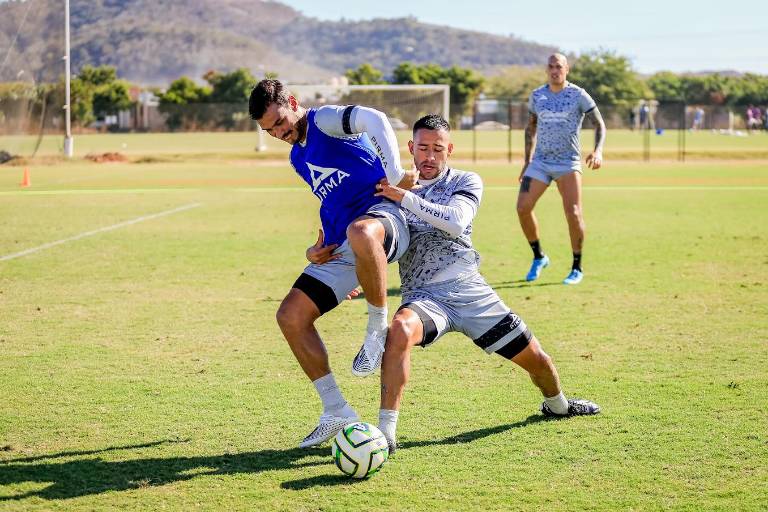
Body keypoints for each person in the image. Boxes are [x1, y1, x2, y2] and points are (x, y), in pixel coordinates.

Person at [368, 114, 600, 453]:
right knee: (400, 330)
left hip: (472, 293)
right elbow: (379, 241)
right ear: (410, 148)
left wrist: (403, 197)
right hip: (425, 297)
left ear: (449, 149)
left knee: (539, 362)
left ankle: (558, 405)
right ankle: (386, 434)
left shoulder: (465, 180)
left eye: (437, 149)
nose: (429, 157)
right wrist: (356, 272)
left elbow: (455, 221)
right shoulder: (392, 187)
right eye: (422, 148)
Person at [248, 79, 419, 447]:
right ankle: (336, 411)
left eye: (279, 122)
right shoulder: (297, 156)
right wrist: (316, 249)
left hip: (385, 219)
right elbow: (333, 199)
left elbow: (374, 118)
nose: (279, 132)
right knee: (290, 317)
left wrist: (393, 173)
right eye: (269, 130)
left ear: (292, 102)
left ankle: (377, 329)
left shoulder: (324, 120)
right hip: (349, 241)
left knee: (361, 232)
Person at [517, 53, 606, 285]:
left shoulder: (578, 94)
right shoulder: (537, 95)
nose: (555, 70)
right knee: (522, 207)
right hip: (540, 162)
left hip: (568, 163)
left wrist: (598, 151)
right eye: (551, 66)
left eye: (559, 66)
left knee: (574, 213)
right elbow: (530, 128)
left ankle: (577, 267)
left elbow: (599, 124)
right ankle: (539, 257)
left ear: (567, 69)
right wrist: (527, 161)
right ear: (546, 70)